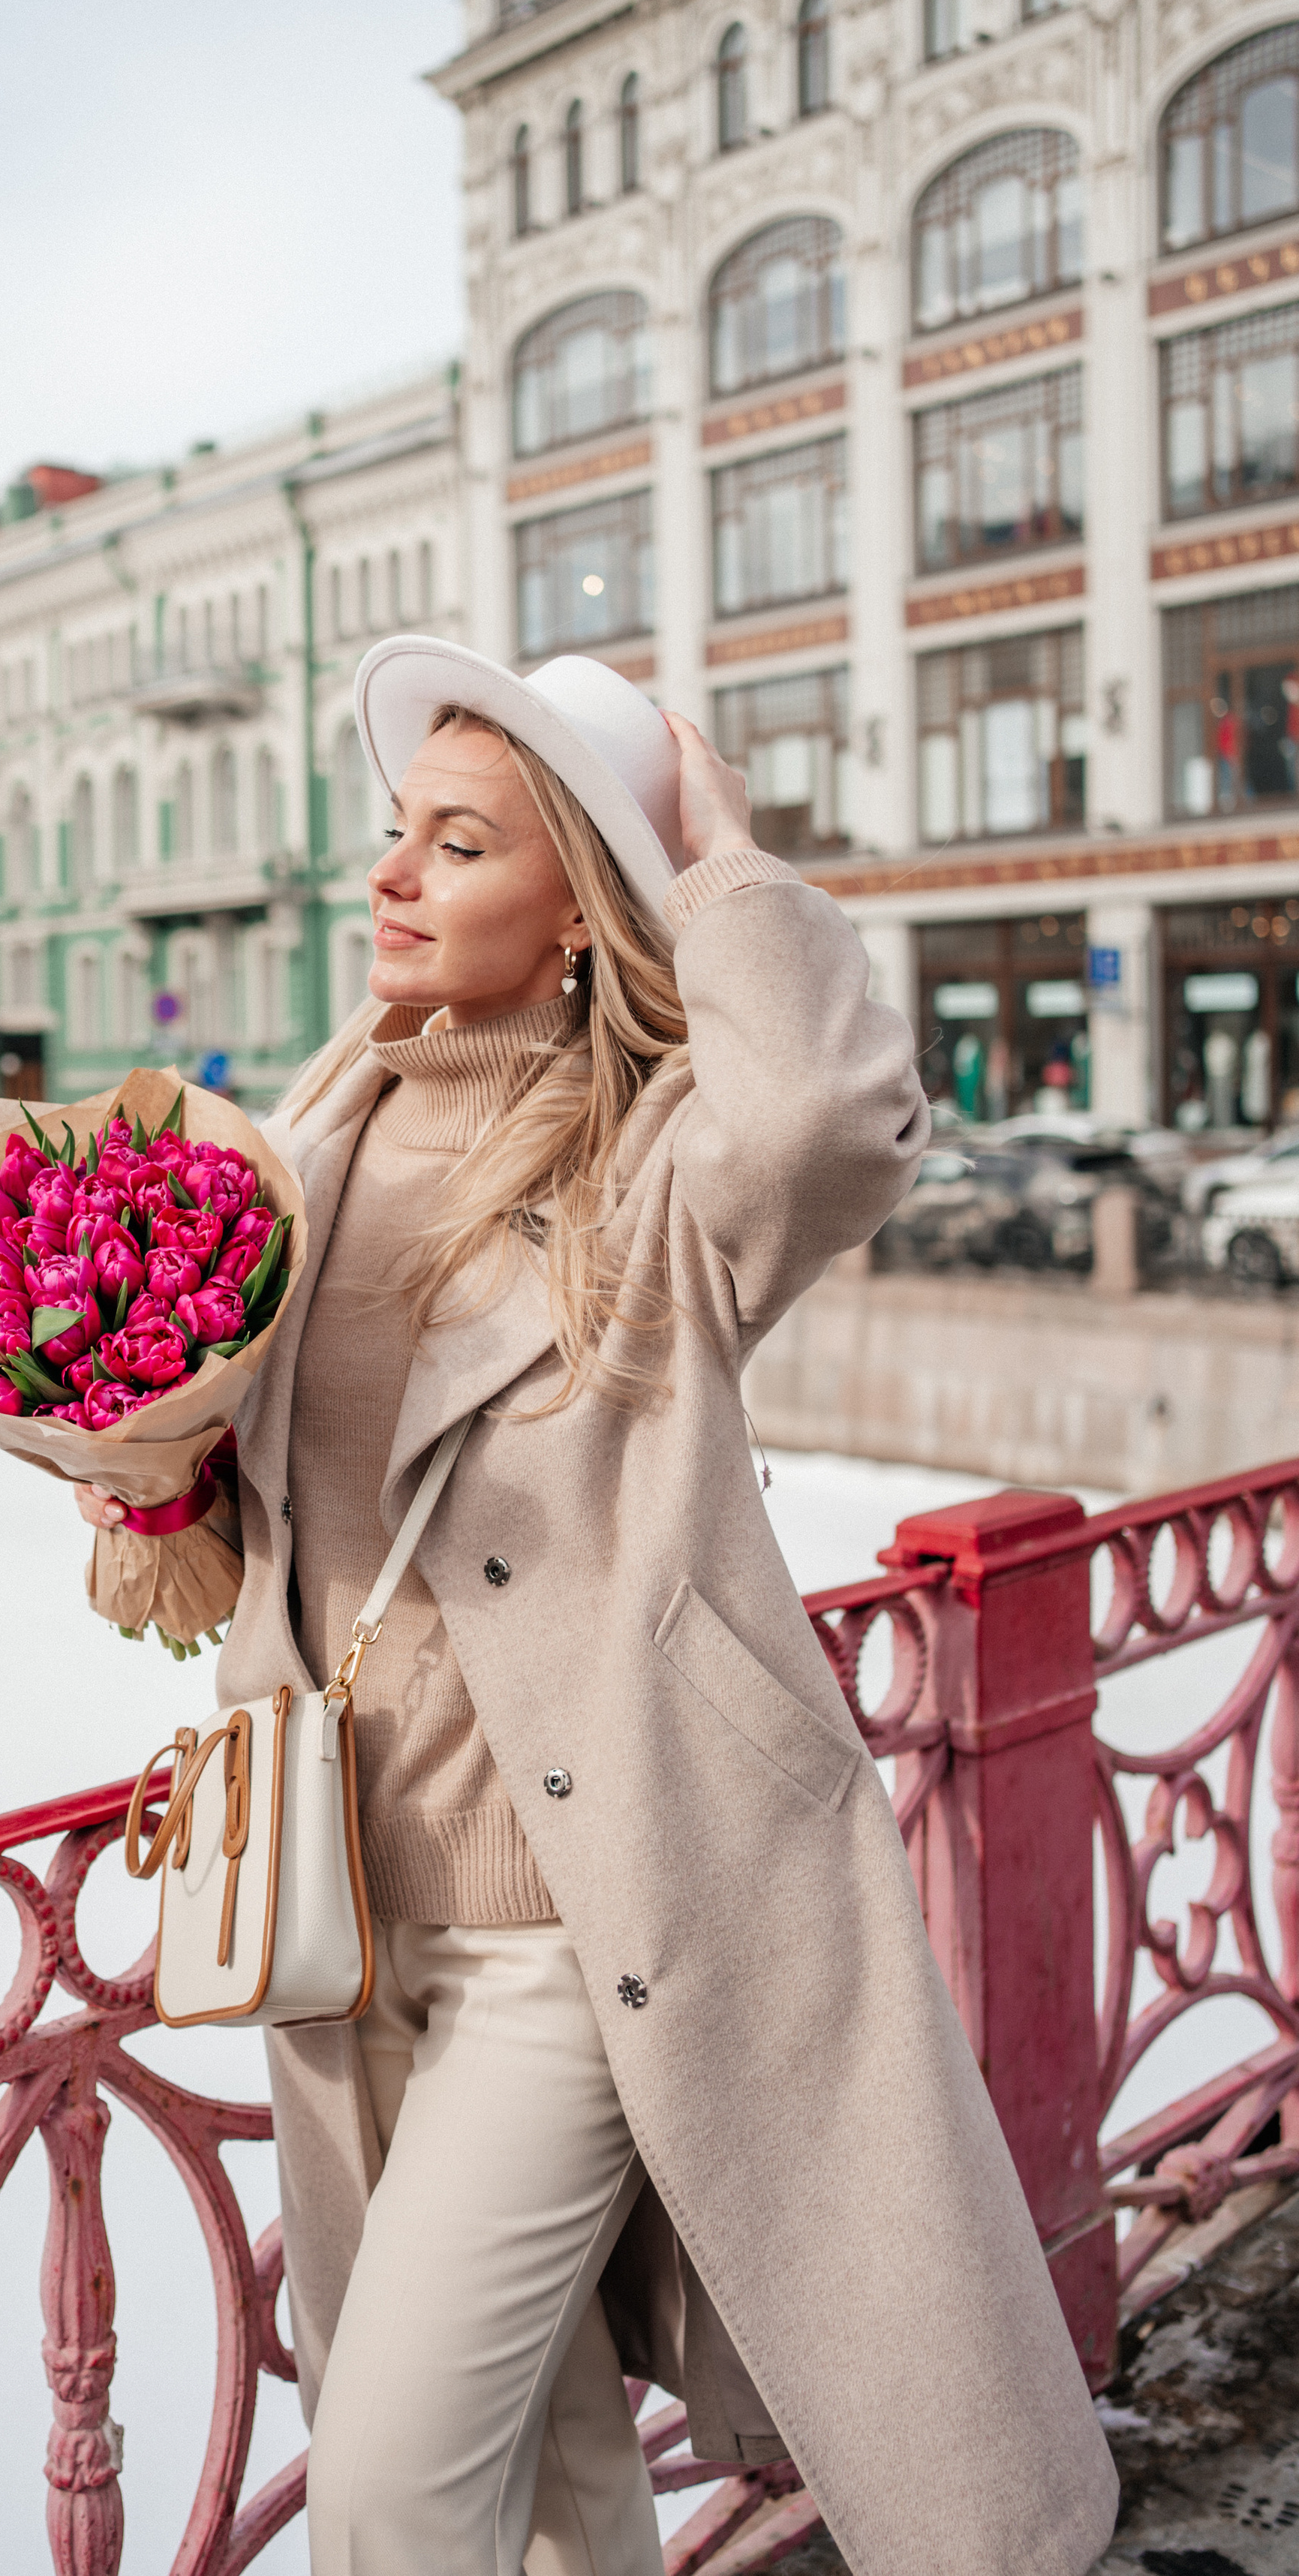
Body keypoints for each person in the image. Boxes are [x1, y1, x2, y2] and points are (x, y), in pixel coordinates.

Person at [70, 638, 1118, 2576]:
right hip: (346, 1913)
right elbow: (240, 1515)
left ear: (576, 917)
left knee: (386, 2488)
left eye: (458, 846)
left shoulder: (654, 1177)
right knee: (548, 2486)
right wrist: (128, 1454)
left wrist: (715, 851)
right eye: (398, 835)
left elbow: (827, 1128)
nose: (389, 877)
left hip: (583, 1916)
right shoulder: (305, 1149)